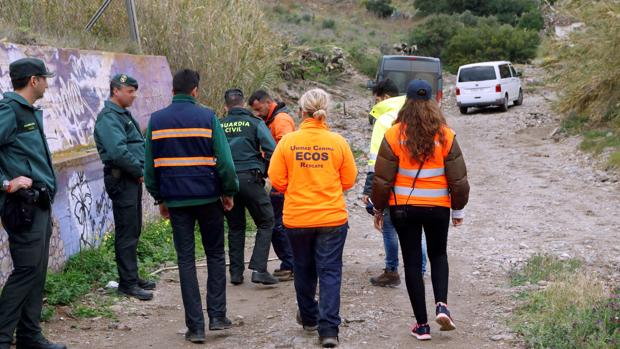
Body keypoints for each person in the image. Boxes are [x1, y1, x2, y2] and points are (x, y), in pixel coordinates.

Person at [144, 69, 239, 343]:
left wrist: (159, 198)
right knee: (215, 255)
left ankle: (195, 328)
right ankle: (218, 316)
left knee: (185, 260)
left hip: (176, 202)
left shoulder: (156, 120)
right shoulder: (208, 117)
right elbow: (225, 162)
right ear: (195, 90)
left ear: (173, 90)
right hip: (209, 199)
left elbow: (149, 165)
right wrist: (228, 192)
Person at [371, 80, 469, 341]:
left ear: (407, 103)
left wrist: (379, 208)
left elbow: (382, 179)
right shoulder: (446, 134)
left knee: (412, 263)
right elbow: (458, 179)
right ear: (432, 104)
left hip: (404, 209)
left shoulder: (393, 135)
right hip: (438, 207)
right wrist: (457, 210)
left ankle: (422, 326)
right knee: (438, 255)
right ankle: (442, 305)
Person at [268, 88, 357, 348]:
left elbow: (277, 180)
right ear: (325, 112)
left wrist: (296, 186)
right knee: (329, 272)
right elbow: (349, 180)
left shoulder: (288, 142)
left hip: (297, 219)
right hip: (331, 218)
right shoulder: (337, 142)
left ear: (301, 112)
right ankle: (328, 330)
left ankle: (309, 318)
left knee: (304, 269)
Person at [0, 58, 67, 349]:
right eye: (44, 78)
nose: (47, 83)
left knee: (37, 271)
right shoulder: (9, 111)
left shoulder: (27, 111)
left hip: (39, 202)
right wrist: (5, 183)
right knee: (26, 270)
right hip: (21, 206)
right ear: (33, 81)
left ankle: (29, 335)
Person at [94, 73, 155, 301]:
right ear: (116, 90)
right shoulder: (110, 117)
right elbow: (118, 152)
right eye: (130, 91)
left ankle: (132, 276)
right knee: (127, 231)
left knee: (133, 228)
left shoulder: (122, 114)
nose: (133, 96)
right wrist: (139, 171)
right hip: (123, 179)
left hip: (129, 178)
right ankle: (127, 283)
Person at [363, 79, 428, 288]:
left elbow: (376, 160)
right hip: (422, 183)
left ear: (385, 98)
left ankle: (392, 270)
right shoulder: (423, 116)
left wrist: (369, 190)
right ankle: (421, 269)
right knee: (419, 229)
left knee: (389, 226)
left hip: (395, 184)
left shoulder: (385, 120)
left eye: (377, 99)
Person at [221, 88, 278, 285]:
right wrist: (264, 171)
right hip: (250, 179)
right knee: (266, 221)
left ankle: (236, 274)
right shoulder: (254, 123)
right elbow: (273, 150)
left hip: (227, 183)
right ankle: (259, 269)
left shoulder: (219, 125)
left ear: (226, 106)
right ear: (244, 104)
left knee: (235, 226)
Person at [248, 90, 295, 281]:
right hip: (278, 179)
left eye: (259, 109)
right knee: (276, 223)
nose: (257, 114)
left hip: (281, 181)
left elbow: (286, 149)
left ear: (268, 102)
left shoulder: (281, 120)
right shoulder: (272, 120)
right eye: (255, 111)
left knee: (277, 224)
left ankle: (290, 265)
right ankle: (289, 263)